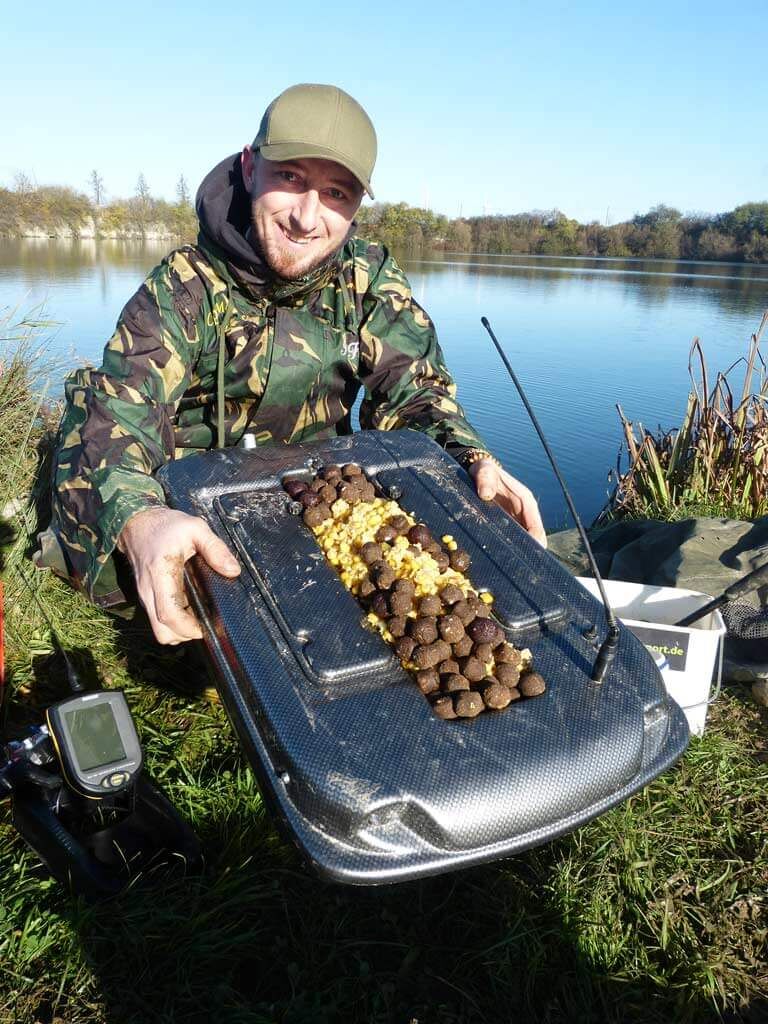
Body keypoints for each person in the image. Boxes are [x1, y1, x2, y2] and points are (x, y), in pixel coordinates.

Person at [42, 83, 546, 646]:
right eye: (291, 178)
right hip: (197, 506)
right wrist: (142, 519)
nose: (308, 217)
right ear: (250, 166)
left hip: (317, 498)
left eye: (336, 192)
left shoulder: (369, 279)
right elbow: (117, 412)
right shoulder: (185, 286)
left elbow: (417, 395)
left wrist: (472, 457)